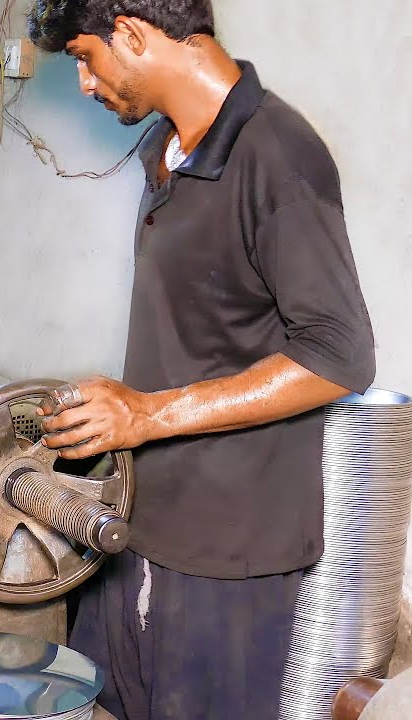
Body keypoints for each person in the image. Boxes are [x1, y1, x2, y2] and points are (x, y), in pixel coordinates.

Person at [26, 1, 376, 718]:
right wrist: (120, 415)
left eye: (86, 59)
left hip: (227, 557)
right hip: (138, 520)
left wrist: (149, 412)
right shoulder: (169, 147)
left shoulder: (277, 152)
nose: (86, 84)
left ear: (131, 32)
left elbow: (341, 354)